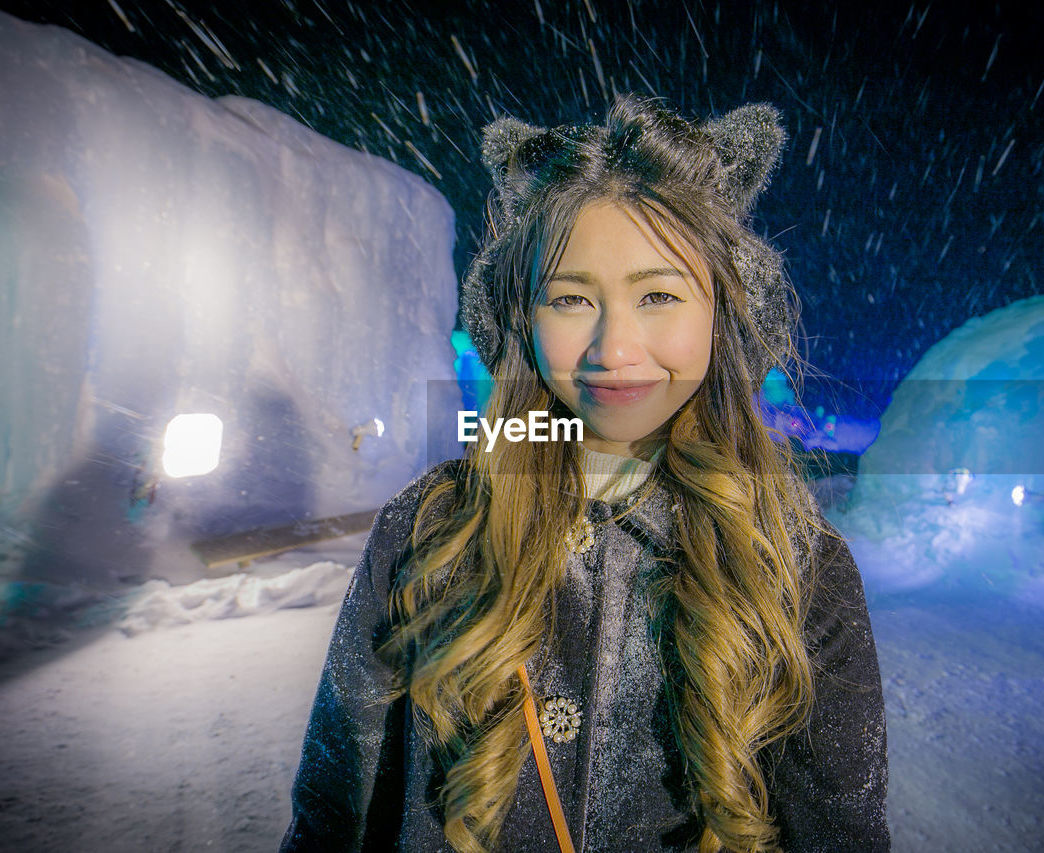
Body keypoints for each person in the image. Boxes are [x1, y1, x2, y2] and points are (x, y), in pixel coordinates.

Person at [281, 95, 888, 853]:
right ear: (521, 317)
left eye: (659, 294)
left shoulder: (799, 568)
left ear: (723, 313)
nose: (615, 348)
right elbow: (331, 818)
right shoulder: (426, 531)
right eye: (571, 298)